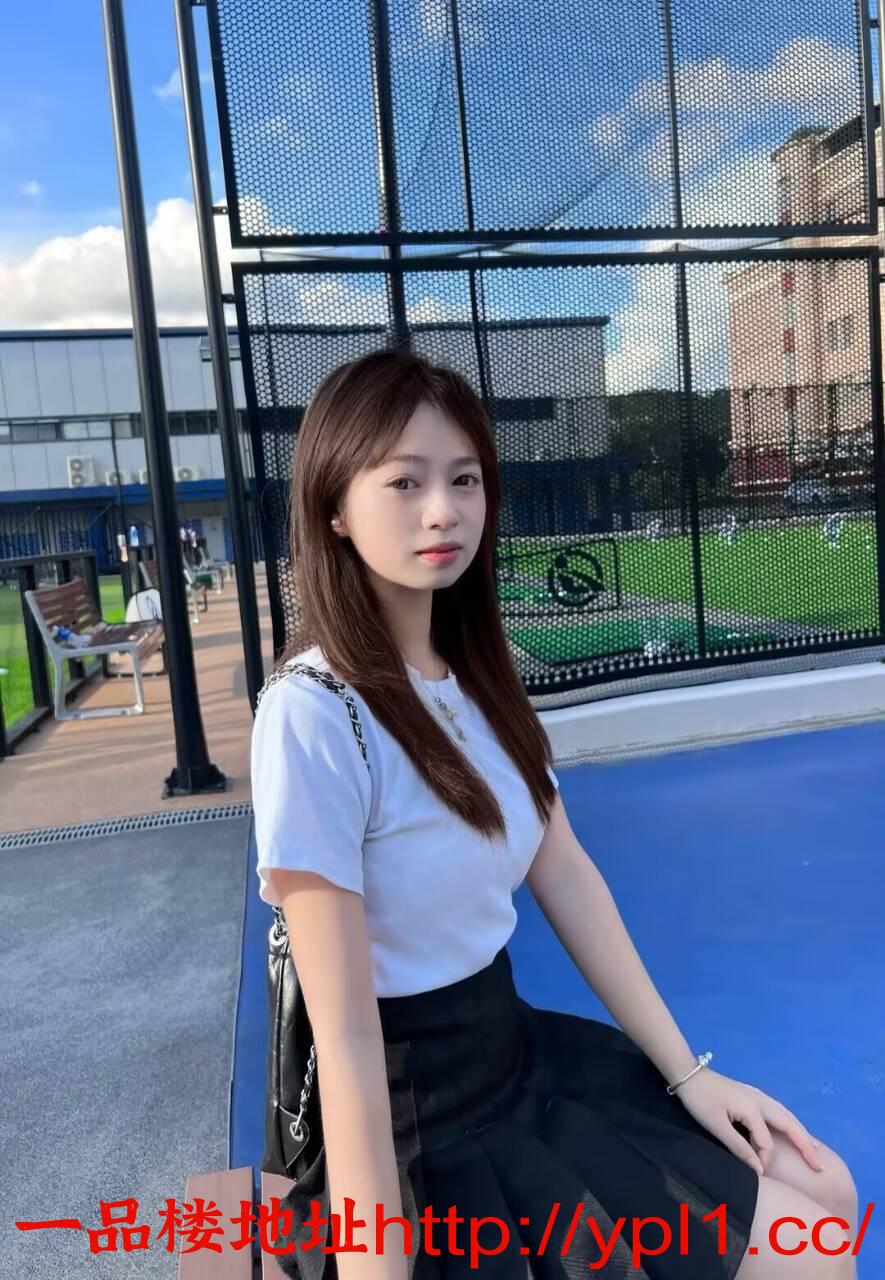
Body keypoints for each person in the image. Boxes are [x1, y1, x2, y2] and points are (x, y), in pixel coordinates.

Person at [250, 350, 859, 1280]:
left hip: (521, 1057)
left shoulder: (476, 679)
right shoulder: (314, 713)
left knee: (827, 1191)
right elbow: (346, 1039)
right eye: (404, 482)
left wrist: (691, 1075)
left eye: (463, 480)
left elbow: (566, 873)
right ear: (334, 507)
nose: (442, 511)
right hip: (422, 1129)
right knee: (809, 1259)